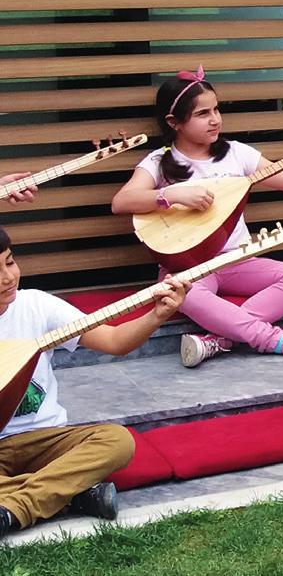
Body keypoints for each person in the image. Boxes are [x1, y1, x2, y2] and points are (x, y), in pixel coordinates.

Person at [111, 66, 283, 367]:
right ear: (174, 122)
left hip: (236, 259)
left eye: (217, 109)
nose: (215, 119)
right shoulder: (159, 162)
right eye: (203, 113)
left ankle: (223, 340)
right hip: (188, 268)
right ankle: (277, 340)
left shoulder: (236, 153)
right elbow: (121, 202)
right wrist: (172, 195)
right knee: (180, 294)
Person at [0, 226, 190, 536]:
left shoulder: (35, 305)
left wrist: (158, 315)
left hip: (50, 442)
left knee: (117, 441)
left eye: (10, 262)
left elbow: (114, 340)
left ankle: (13, 508)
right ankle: (72, 495)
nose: (8, 277)